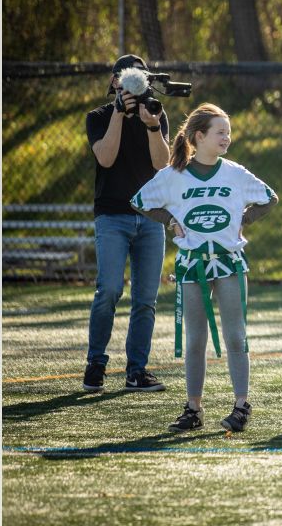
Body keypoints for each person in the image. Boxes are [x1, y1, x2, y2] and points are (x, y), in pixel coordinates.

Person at [131, 103, 278, 433]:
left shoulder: (236, 173)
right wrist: (169, 219)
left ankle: (241, 406)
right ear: (200, 136)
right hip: (191, 267)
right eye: (220, 132)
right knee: (195, 340)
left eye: (228, 131)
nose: (227, 137)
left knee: (235, 336)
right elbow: (139, 201)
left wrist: (246, 218)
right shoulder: (173, 176)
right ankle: (193, 410)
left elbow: (270, 198)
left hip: (229, 264)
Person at [83, 54, 171, 393]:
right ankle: (96, 364)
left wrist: (151, 125)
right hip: (112, 216)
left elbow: (161, 163)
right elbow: (105, 157)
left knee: (146, 298)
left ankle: (137, 370)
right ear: (115, 83)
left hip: (149, 216)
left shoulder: (155, 115)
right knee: (109, 290)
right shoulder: (99, 116)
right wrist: (119, 113)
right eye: (123, 80)